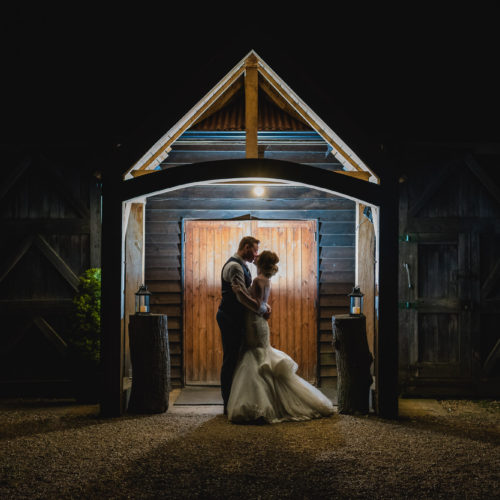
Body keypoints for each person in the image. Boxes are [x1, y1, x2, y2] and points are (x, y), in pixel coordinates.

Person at [227, 250, 335, 423]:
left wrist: (239, 293)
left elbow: (255, 304)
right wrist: (262, 305)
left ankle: (258, 405)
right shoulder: (266, 280)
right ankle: (267, 400)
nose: (255, 257)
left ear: (261, 263)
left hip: (254, 322)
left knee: (256, 356)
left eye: (258, 256)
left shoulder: (257, 280)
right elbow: (261, 303)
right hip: (258, 322)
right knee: (261, 355)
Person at [216, 236, 271, 415]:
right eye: (254, 250)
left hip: (239, 318)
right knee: (231, 358)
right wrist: (262, 308)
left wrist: (263, 305)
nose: (256, 255)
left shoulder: (243, 266)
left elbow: (247, 294)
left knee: (239, 358)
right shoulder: (234, 267)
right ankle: (227, 403)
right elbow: (240, 297)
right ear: (245, 247)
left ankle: (240, 400)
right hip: (230, 317)